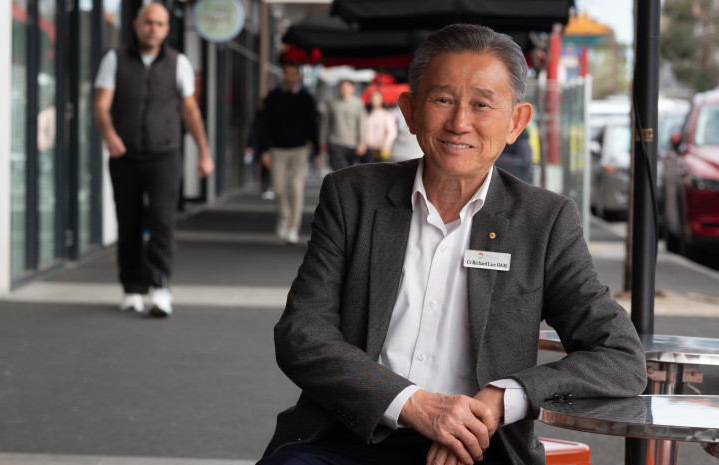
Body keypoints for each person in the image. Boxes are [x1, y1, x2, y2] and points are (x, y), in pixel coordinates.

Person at [259, 24, 645, 465]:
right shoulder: (353, 197)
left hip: (478, 449)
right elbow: (301, 334)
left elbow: (620, 356)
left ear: (516, 121)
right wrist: (412, 404)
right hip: (350, 437)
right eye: (442, 100)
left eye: (482, 104)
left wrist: (501, 401)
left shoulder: (543, 221)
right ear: (410, 111)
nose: (460, 122)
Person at [93, 2, 213, 317]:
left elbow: (190, 110)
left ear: (166, 29)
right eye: (148, 23)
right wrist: (110, 135)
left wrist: (204, 152)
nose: (153, 29)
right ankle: (132, 288)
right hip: (125, 156)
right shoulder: (114, 59)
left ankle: (160, 288)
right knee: (129, 223)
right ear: (136, 25)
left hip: (164, 155)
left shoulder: (178, 62)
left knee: (161, 221)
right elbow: (101, 105)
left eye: (159, 24)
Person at [259, 62, 319, 245]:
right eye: (287, 73)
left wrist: (316, 151)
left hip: (299, 149)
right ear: (283, 76)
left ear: (298, 76)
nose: (290, 77)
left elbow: (313, 125)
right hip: (277, 149)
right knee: (277, 187)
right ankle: (284, 215)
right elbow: (264, 125)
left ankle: (293, 227)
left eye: (294, 74)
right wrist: (264, 150)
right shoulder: (273, 97)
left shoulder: (306, 98)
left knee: (296, 187)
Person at [325, 80, 367, 170]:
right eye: (342, 87)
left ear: (353, 88)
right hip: (336, 142)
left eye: (347, 87)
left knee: (348, 171)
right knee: (337, 170)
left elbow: (361, 123)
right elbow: (326, 124)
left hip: (352, 143)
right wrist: (322, 141)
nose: (344, 89)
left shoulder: (358, 103)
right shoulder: (333, 103)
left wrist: (362, 142)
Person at [362, 91, 398, 163]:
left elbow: (392, 132)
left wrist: (386, 144)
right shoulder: (366, 114)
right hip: (368, 148)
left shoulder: (387, 114)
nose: (374, 101)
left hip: (382, 149)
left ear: (381, 100)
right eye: (372, 99)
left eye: (376, 99)